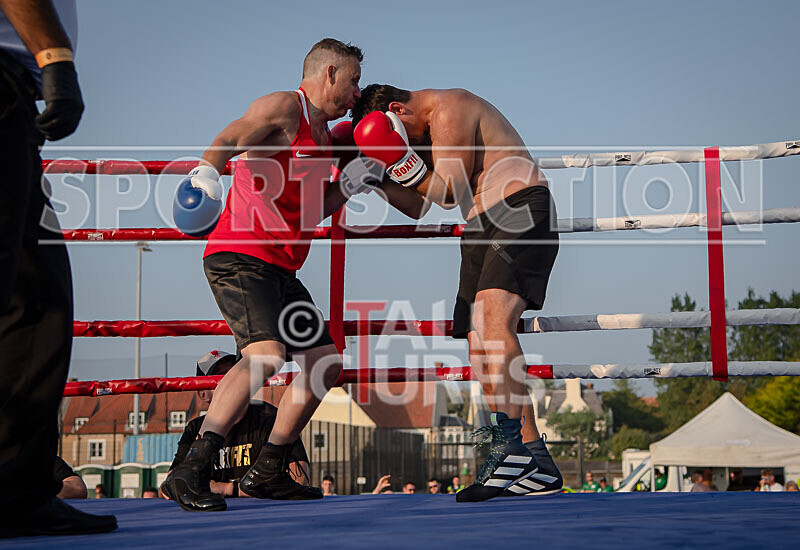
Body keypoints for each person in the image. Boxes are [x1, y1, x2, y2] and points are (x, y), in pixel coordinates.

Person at [164, 38, 365, 512]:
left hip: (280, 268)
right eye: (353, 81)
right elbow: (232, 136)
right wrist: (208, 173)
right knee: (266, 356)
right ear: (329, 73)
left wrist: (352, 185)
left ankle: (268, 469)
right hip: (240, 257)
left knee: (324, 364)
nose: (357, 93)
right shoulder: (285, 108)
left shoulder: (321, 139)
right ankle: (191, 470)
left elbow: (311, 210)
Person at [350, 85, 563, 502]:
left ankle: (509, 449)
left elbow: (445, 192)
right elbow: (417, 206)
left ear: (398, 110)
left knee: (492, 322)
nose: (406, 146)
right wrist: (373, 177)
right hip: (480, 226)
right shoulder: (418, 134)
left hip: (518, 207)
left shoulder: (450, 108)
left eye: (398, 138)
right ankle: (536, 459)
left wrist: (397, 158)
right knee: (476, 340)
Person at [0, 0, 116, 537]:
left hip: (14, 99)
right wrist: (56, 60)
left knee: (39, 298)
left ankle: (18, 493)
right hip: (6, 84)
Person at [161, 351, 312, 502]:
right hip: (217, 515)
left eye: (235, 374)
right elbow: (168, 488)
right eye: (221, 377)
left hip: (265, 512)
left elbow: (299, 481)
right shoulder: (195, 428)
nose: (231, 382)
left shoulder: (270, 418)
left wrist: (226, 489)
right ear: (203, 394)